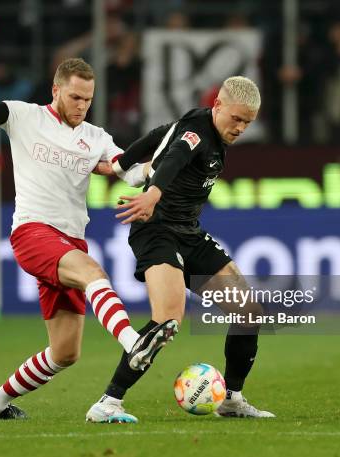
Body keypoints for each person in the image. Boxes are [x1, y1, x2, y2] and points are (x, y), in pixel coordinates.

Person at [0, 18, 177, 420]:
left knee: (65, 352)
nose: (82, 106)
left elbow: (123, 168)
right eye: (75, 97)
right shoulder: (23, 117)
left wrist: (155, 168)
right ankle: (133, 342)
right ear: (56, 90)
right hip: (33, 232)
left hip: (70, 241)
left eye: (88, 100)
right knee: (94, 272)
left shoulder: (94, 136)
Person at [85, 76, 275, 423]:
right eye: (236, 118)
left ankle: (231, 399)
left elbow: (161, 133)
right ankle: (108, 402)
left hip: (189, 233)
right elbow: (174, 155)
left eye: (248, 121)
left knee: (248, 313)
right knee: (168, 320)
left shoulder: (206, 128)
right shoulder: (197, 133)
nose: (241, 127)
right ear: (217, 105)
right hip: (156, 230)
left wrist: (119, 164)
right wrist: (152, 193)